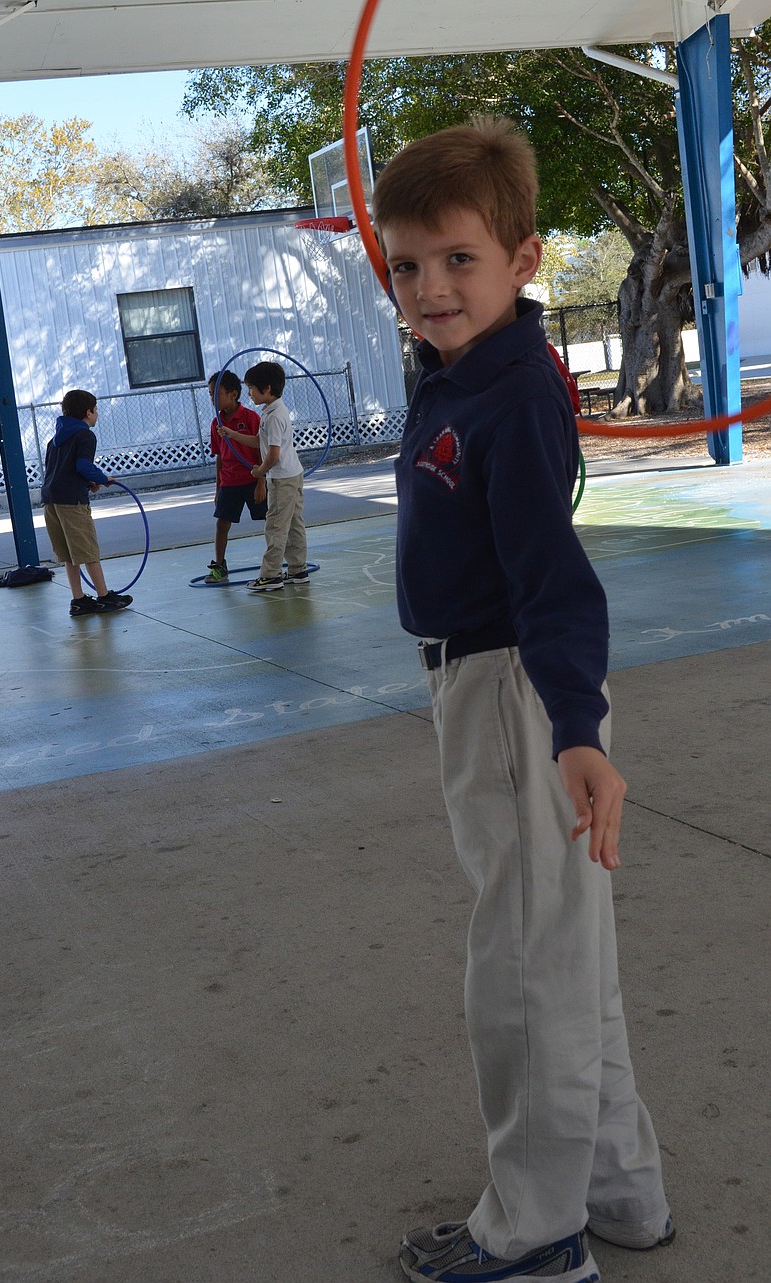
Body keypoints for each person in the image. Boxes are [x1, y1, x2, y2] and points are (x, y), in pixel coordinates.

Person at [372, 115, 672, 1283]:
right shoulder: (457, 376)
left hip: (514, 695)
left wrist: (575, 730)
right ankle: (618, 1190)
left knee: (522, 968)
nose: (430, 288)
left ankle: (535, 1229)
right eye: (406, 264)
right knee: (566, 957)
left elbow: (554, 579)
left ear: (524, 260)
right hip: (491, 687)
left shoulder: (511, 398)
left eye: (458, 260)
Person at [40, 389, 133, 617]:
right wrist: (103, 478)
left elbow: (60, 470)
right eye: (96, 410)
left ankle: (79, 600)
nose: (96, 414)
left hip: (50, 500)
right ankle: (104, 598)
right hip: (72, 502)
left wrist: (87, 482)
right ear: (88, 412)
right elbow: (82, 465)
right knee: (87, 550)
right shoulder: (85, 435)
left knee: (70, 555)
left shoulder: (54, 441)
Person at [218, 360, 309, 592]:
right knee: (294, 523)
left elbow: (274, 454)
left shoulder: (273, 416)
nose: (248, 393)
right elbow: (260, 441)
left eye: (251, 388)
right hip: (292, 474)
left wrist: (260, 470)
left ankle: (271, 575)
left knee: (276, 526)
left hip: (281, 479)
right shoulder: (273, 411)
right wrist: (231, 434)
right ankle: (298, 570)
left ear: (267, 389)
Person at [204, 370, 266, 584]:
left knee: (271, 521)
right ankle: (220, 565)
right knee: (222, 523)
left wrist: (261, 482)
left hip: (252, 477)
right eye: (210, 394)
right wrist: (218, 488)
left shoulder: (251, 418)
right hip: (229, 482)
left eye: (216, 394)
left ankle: (277, 562)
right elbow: (219, 457)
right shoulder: (216, 423)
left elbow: (262, 452)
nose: (212, 399)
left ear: (233, 394)